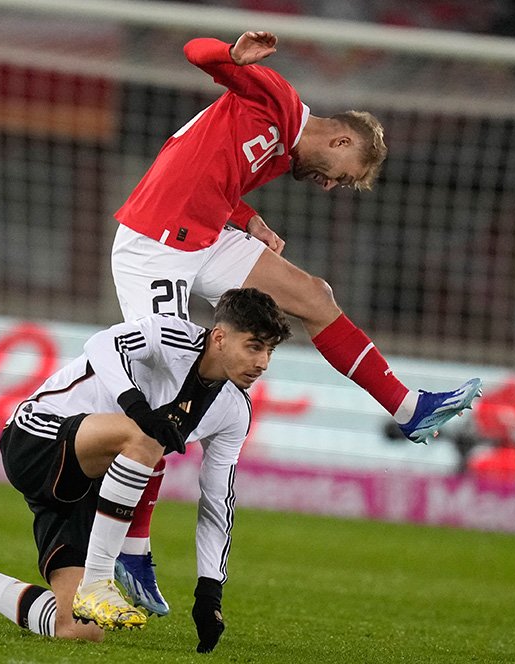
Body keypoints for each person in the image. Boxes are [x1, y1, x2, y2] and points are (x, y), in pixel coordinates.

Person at [110, 29, 483, 617]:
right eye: (341, 172)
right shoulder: (276, 100)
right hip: (152, 245)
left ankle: (409, 408)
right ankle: (133, 548)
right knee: (164, 395)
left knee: (312, 294)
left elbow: (204, 166)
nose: (332, 185)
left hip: (204, 236)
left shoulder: (281, 155)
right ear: (338, 138)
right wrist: (231, 57)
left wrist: (250, 219)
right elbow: (195, 53)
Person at [0, 288, 293, 653]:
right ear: (220, 337)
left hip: (89, 485)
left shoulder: (234, 411)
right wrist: (137, 406)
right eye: (254, 346)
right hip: (36, 437)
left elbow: (217, 502)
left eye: (269, 351)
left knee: (79, 630)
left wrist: (210, 591)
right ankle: (107, 575)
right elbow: (101, 344)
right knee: (147, 437)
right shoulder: (171, 335)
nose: (262, 363)